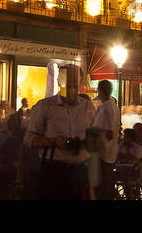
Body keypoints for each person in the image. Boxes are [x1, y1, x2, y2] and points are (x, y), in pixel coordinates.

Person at [25, 65, 95, 200]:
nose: (72, 91)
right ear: (59, 82)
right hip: (53, 171)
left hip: (80, 171)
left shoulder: (88, 108)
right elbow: (29, 139)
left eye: (75, 86)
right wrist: (53, 141)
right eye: (68, 87)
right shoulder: (44, 107)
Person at [91, 79, 120, 201]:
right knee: (105, 186)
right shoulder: (112, 107)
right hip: (108, 152)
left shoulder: (107, 109)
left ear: (100, 91)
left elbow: (108, 133)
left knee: (103, 187)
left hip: (103, 154)